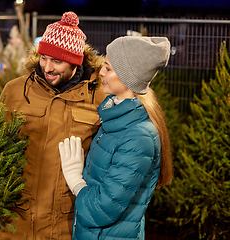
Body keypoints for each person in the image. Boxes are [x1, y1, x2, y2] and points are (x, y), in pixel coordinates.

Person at [0, 11, 107, 240]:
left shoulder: (99, 97)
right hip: (14, 224)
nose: (47, 67)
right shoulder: (16, 91)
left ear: (75, 61)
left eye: (57, 61)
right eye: (44, 57)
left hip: (64, 226)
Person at [59, 36, 174, 239]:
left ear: (128, 77)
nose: (101, 72)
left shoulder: (138, 138)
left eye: (109, 68)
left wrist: (76, 180)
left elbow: (101, 211)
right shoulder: (115, 118)